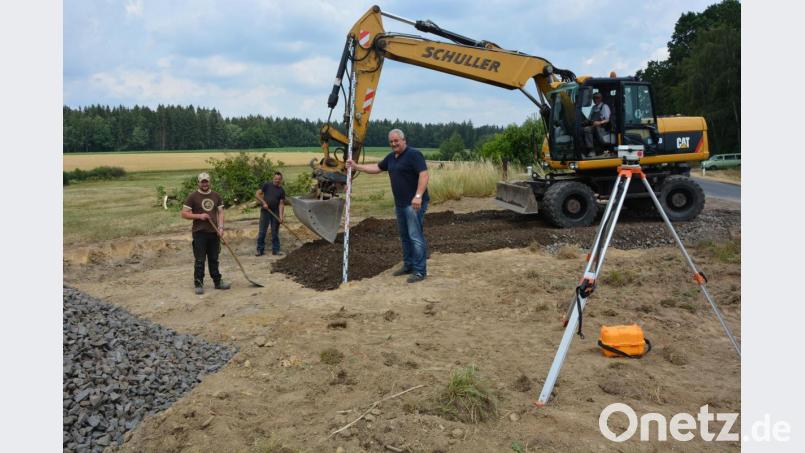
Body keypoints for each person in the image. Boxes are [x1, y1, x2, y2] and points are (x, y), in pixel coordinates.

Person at [347, 129, 429, 283]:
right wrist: (357, 166)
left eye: (396, 141)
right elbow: (377, 168)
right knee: (405, 236)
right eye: (391, 141)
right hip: (400, 204)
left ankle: (420, 271)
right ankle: (408, 265)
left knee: (415, 237)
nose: (393, 144)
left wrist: (418, 196)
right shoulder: (391, 158)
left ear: (404, 140)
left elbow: (424, 175)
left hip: (414, 204)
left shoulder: (414, 154)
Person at [181, 172, 231, 295]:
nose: (204, 183)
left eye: (206, 181)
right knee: (200, 260)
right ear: (198, 182)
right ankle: (198, 283)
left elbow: (221, 212)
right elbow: (184, 213)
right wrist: (199, 216)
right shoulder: (193, 196)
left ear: (209, 182)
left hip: (214, 233)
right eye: (202, 181)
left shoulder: (216, 195)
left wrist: (221, 227)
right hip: (200, 233)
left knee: (214, 258)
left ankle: (218, 282)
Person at [255, 171, 286, 256]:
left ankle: (276, 250)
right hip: (265, 211)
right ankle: (260, 250)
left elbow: (281, 204)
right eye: (276, 179)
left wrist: (281, 216)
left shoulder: (281, 190)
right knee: (262, 231)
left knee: (275, 232)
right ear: (273, 178)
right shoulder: (267, 185)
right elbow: (257, 194)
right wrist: (263, 202)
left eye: (279, 179)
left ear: (281, 180)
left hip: (275, 212)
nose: (277, 180)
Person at [583, 91, 611, 156]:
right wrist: (585, 122)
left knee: (587, 129)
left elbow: (607, 120)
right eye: (594, 98)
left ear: (601, 98)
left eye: (597, 98)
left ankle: (591, 150)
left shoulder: (604, 106)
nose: (596, 99)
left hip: (602, 128)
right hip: (593, 126)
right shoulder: (594, 108)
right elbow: (589, 118)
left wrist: (599, 122)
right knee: (581, 129)